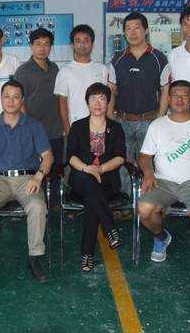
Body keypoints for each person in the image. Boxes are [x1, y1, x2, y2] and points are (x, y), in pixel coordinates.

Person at [0, 80, 53, 283]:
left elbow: (48, 156)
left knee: (37, 206)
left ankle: (35, 257)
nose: (11, 101)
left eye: (16, 97)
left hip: (27, 179)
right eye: (6, 97)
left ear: (22, 100)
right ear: (1, 99)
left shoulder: (34, 125)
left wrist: (38, 176)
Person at [138, 80, 190, 265]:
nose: (179, 99)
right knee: (144, 210)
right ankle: (161, 237)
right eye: (175, 95)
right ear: (168, 99)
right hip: (163, 181)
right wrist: (149, 174)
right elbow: (145, 156)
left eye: (184, 96)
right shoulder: (157, 125)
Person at [107, 12, 170, 194]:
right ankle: (127, 199)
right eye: (128, 29)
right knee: (122, 163)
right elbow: (111, 91)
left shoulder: (159, 58)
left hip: (149, 122)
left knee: (149, 163)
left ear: (146, 30)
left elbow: (165, 91)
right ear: (124, 33)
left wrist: (160, 120)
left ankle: (148, 201)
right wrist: (110, 120)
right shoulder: (117, 59)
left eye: (137, 28)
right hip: (122, 121)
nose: (132, 32)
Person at [66, 83, 125, 272]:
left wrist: (101, 169)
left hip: (107, 180)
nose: (97, 103)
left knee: (93, 199)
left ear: (108, 103)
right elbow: (70, 156)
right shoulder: (77, 126)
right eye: (93, 99)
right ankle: (110, 229)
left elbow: (120, 157)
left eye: (102, 99)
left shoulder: (116, 128)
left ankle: (87, 254)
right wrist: (87, 169)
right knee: (90, 184)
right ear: (87, 103)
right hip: (81, 177)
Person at [14, 28, 64, 187]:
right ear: (31, 46)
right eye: (38, 44)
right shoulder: (23, 71)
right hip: (34, 132)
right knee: (36, 172)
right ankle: (38, 200)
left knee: (55, 170)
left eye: (46, 44)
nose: (42, 48)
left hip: (55, 130)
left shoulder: (55, 68)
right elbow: (19, 102)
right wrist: (27, 127)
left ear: (51, 47)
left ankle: (55, 201)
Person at [54, 24, 108, 135]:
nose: (82, 45)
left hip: (99, 128)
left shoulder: (102, 69)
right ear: (72, 45)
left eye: (86, 41)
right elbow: (62, 103)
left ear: (92, 44)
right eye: (78, 41)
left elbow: (105, 99)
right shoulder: (65, 71)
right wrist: (68, 130)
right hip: (74, 128)